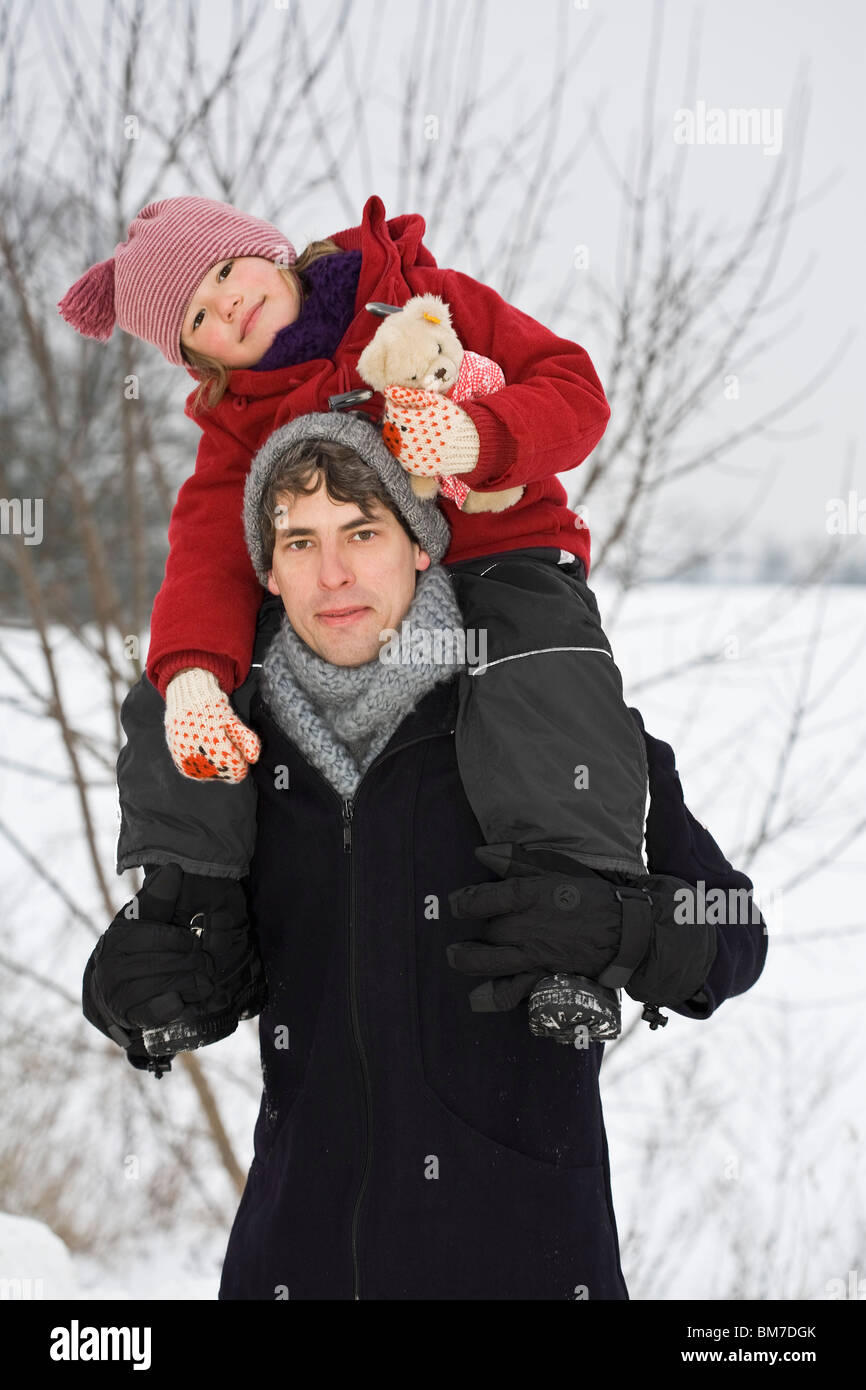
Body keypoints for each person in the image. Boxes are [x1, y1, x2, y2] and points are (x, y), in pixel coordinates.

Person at [82, 408, 768, 1300]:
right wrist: (130, 990)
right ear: (268, 571)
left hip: (526, 1264)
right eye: (298, 543)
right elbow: (212, 966)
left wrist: (625, 928)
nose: (332, 574)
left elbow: (735, 931)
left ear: (419, 545)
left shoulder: (553, 730)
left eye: (362, 532)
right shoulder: (241, 756)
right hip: (296, 1263)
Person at [59, 192, 651, 1041]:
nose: (227, 301)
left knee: (539, 672)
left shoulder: (423, 298)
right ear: (196, 357)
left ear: (271, 252)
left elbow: (572, 389)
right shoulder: (236, 425)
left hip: (500, 552)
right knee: (175, 704)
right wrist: (191, 675)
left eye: (226, 270)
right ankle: (191, 925)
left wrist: (480, 438)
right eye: (199, 314)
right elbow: (207, 559)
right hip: (345, 604)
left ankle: (563, 920)